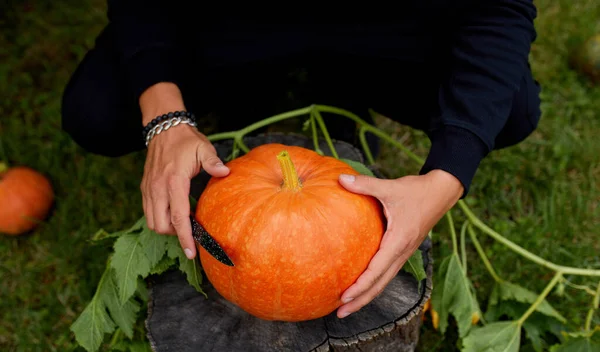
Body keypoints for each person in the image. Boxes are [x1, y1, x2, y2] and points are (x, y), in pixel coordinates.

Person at [62, 1, 541, 319]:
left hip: (382, 22)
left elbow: (500, 7)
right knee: (97, 113)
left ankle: (340, 80)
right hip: (227, 18)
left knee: (508, 109)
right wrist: (164, 114)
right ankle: (255, 81)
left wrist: (447, 174)